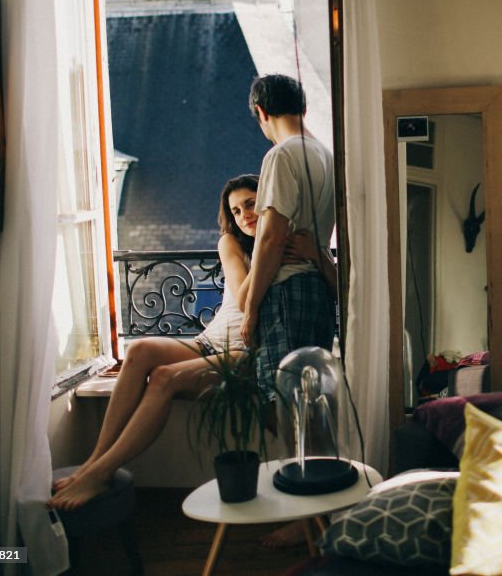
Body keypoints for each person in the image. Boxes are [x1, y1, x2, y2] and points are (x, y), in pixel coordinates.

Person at [48, 174, 324, 512]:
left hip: (244, 351)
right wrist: (270, 249)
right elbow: (240, 297)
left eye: (251, 204)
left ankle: (102, 473)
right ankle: (93, 462)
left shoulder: (294, 239)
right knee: (139, 351)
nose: (244, 216)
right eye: (236, 211)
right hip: (210, 339)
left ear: (267, 202)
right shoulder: (232, 243)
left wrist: (298, 250)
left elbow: (335, 286)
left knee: (164, 377)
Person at [240, 74, 336, 393]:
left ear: (262, 112)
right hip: (318, 290)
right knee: (312, 394)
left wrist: (251, 309)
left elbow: (271, 238)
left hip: (285, 290)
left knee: (280, 393)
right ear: (303, 109)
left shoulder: (282, 155)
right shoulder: (328, 156)